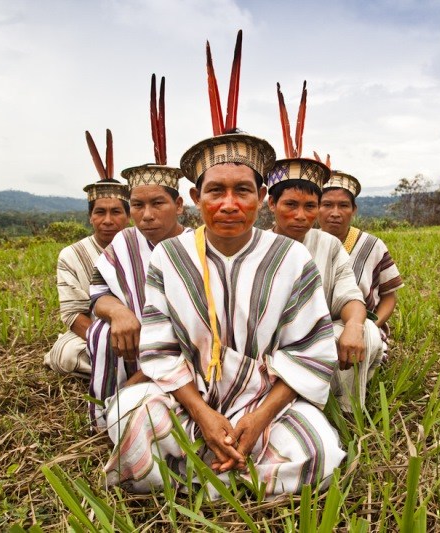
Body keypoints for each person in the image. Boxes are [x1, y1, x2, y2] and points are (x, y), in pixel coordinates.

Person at [101, 31, 344, 497]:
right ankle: (225, 468)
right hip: (187, 397)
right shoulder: (170, 256)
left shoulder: (291, 257)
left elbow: (310, 351)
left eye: (243, 190)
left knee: (319, 453)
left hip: (265, 400)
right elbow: (158, 349)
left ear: (261, 199)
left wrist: (257, 418)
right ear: (196, 198)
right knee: (128, 414)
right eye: (216, 191)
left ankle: (202, 473)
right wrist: (205, 415)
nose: (229, 204)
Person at [267, 82, 381, 412]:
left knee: (368, 333)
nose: (301, 216)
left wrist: (356, 327)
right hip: (273, 343)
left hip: (322, 333)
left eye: (310, 206)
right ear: (271, 204)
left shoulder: (328, 244)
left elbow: (350, 296)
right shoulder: (259, 245)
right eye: (290, 205)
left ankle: (345, 412)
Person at [87, 74, 189, 427]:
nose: (146, 215)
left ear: (178, 204)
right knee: (101, 331)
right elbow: (98, 291)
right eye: (137, 205)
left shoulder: (197, 242)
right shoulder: (125, 241)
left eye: (158, 203)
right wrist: (118, 313)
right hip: (133, 339)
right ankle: (106, 413)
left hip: (187, 346)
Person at [44, 130, 129, 378]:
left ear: (128, 215)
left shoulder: (141, 246)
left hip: (142, 333)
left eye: (116, 212)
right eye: (100, 212)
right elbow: (73, 314)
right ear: (90, 216)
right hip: (95, 334)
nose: (108, 220)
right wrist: (106, 343)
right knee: (65, 355)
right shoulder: (72, 255)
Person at [318, 169, 404, 359]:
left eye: (343, 205)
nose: (335, 213)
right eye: (327, 205)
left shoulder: (372, 246)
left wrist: (370, 327)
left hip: (360, 327)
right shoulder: (306, 242)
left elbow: (389, 296)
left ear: (354, 209)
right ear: (316, 207)